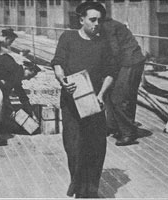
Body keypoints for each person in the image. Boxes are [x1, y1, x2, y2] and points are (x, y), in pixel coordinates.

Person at [51, 2, 116, 198]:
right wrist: (62, 80)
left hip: (94, 104)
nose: (97, 24)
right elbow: (58, 62)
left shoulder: (103, 43)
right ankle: (79, 187)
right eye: (92, 19)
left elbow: (111, 72)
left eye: (99, 20)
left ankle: (91, 191)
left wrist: (101, 95)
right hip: (71, 103)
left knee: (95, 147)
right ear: (81, 19)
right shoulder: (68, 38)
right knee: (74, 147)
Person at [100, 17, 146, 146]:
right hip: (128, 61)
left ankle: (128, 133)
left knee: (119, 98)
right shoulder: (108, 24)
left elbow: (114, 50)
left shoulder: (107, 26)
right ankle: (114, 126)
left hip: (130, 62)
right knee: (112, 94)